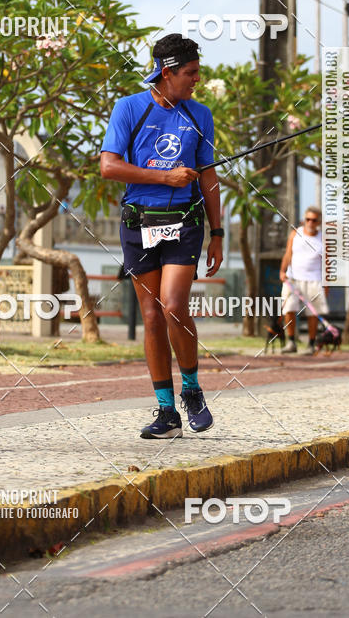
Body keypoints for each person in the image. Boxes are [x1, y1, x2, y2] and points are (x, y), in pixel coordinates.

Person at [100, 34, 223, 438]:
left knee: (173, 307)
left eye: (197, 72)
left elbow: (208, 175)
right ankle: (166, 413)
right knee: (151, 317)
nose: (196, 80)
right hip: (139, 224)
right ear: (166, 73)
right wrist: (165, 176)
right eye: (190, 73)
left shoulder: (198, 114)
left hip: (184, 222)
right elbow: (110, 167)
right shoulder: (128, 108)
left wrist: (217, 232)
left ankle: (191, 390)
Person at [279, 206, 329, 354]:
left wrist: (327, 285)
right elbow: (288, 254)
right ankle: (291, 342)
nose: (310, 223)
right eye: (308, 219)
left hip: (314, 280)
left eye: (314, 220)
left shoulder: (323, 239)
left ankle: (311, 343)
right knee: (288, 309)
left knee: (312, 313)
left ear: (319, 222)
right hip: (293, 278)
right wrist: (282, 271)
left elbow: (327, 264)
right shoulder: (296, 234)